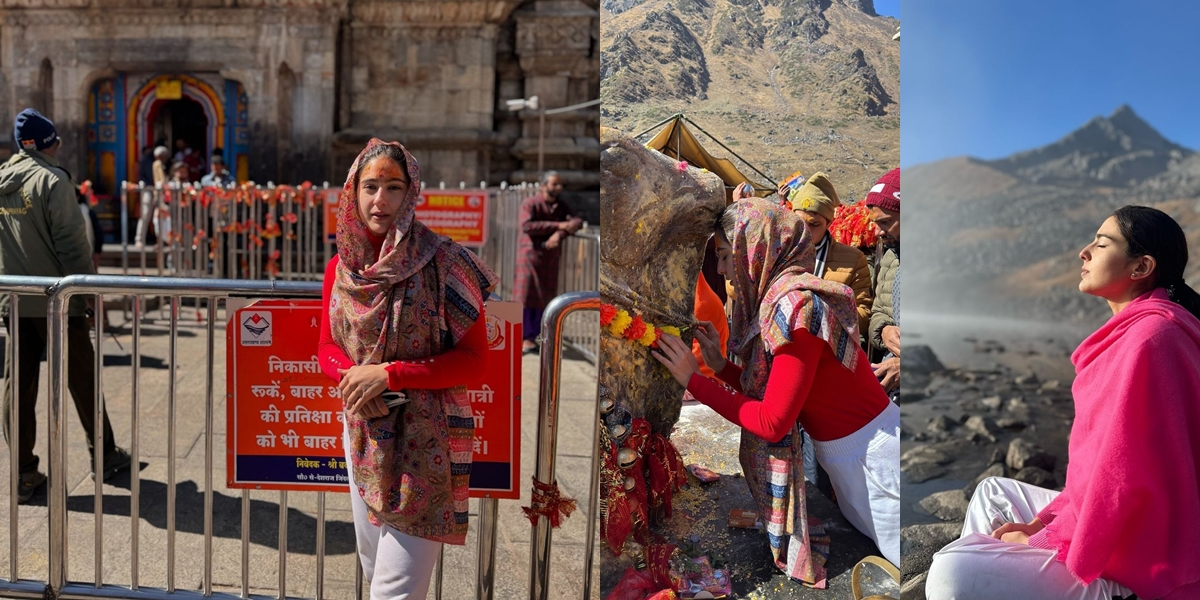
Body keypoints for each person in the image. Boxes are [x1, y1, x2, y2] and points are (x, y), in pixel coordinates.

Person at [926, 206, 1200, 600]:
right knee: (992, 492)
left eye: (1101, 243)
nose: (1083, 252)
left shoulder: (1150, 339)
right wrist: (1042, 523)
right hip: (1137, 528)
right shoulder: (1146, 328)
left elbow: (1120, 482)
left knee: (951, 570)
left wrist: (1039, 541)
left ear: (1141, 267)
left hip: (1147, 566)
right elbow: (1100, 477)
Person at [651, 199, 900, 575]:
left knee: (907, 565)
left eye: (723, 255)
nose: (720, 269)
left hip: (876, 462)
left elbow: (772, 421)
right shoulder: (781, 300)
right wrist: (720, 367)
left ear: (756, 250)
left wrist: (695, 380)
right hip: (852, 458)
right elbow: (781, 394)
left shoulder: (796, 310)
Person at [317, 139, 497, 599]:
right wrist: (353, 379)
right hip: (364, 432)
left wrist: (390, 374)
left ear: (411, 192)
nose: (381, 200)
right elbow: (326, 347)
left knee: (392, 591)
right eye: (371, 186)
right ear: (353, 192)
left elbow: (475, 360)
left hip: (426, 441)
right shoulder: (341, 269)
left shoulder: (444, 262)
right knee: (375, 569)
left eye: (394, 187)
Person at [0, 108, 130, 503]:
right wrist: (88, 295)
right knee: (82, 379)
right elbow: (72, 245)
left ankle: (24, 474)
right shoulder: (52, 181)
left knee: (17, 388)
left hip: (15, 298)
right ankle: (105, 456)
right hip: (58, 299)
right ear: (48, 143)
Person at [789, 172, 873, 336]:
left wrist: (824, 310)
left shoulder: (853, 259)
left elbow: (864, 317)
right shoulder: (779, 253)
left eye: (814, 224)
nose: (805, 231)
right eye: (799, 223)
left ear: (829, 223)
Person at [515, 171, 582, 354]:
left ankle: (535, 337)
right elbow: (527, 226)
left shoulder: (561, 206)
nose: (558, 188)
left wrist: (558, 235)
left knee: (545, 298)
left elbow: (576, 221)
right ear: (543, 186)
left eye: (560, 184)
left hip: (550, 259)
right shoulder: (531, 203)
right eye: (554, 184)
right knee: (527, 297)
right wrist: (558, 226)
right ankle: (524, 338)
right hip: (530, 256)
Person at [865, 168, 899, 396]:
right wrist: (884, 330)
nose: (877, 232)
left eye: (885, 222)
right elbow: (879, 310)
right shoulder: (890, 259)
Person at [135, 145, 170, 247]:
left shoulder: (163, 164)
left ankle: (160, 241)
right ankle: (139, 239)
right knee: (145, 214)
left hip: (160, 192)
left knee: (160, 217)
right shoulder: (151, 162)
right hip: (149, 189)